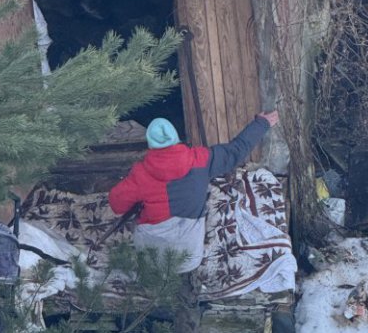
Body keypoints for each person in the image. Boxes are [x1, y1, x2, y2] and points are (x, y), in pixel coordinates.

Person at [108, 111, 280, 273]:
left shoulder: (141, 173)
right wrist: (261, 123)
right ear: (175, 138)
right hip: (189, 258)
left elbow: (116, 205)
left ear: (150, 143)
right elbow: (235, 151)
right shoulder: (200, 159)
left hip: (151, 259)